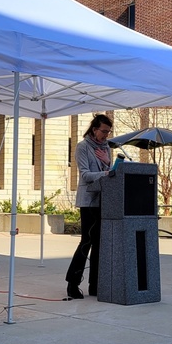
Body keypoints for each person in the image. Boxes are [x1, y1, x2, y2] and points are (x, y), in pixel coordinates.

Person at [65, 114, 113, 300]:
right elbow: (85, 175)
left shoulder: (107, 147)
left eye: (108, 132)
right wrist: (105, 172)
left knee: (100, 244)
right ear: (94, 129)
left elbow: (109, 172)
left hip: (105, 201)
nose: (106, 135)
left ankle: (96, 284)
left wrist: (108, 164)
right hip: (88, 201)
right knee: (87, 241)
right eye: (103, 131)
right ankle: (72, 283)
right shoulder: (83, 147)